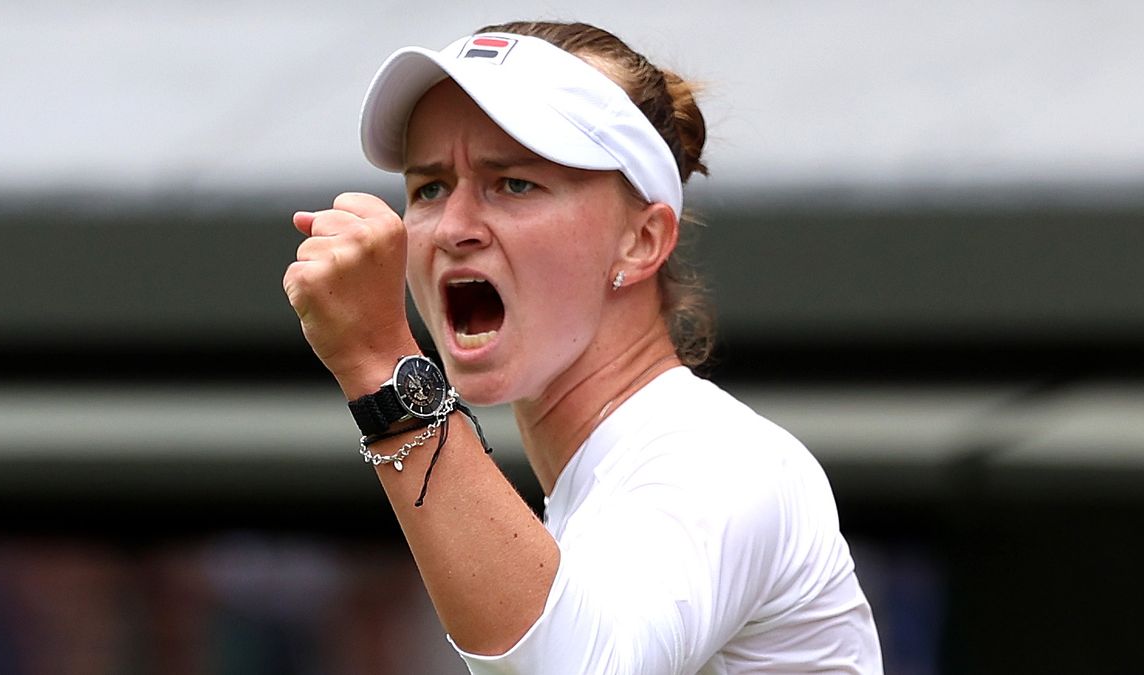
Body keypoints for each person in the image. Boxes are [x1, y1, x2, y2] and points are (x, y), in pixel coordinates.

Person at [284, 20, 883, 674]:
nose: (452, 227)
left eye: (514, 183)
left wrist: (383, 369)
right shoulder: (600, 494)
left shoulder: (719, 457)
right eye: (429, 187)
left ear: (642, 240)